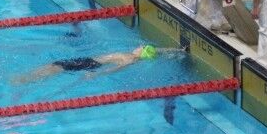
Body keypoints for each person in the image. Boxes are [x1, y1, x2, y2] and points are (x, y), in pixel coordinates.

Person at [13, 45, 173, 83]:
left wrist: (97, 74)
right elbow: (158, 50)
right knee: (55, 65)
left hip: (91, 64)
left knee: (57, 67)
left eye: (142, 47)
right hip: (90, 61)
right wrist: (177, 50)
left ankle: (26, 79)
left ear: (142, 52)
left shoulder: (130, 59)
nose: (139, 46)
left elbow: (117, 68)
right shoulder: (132, 56)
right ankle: (27, 77)